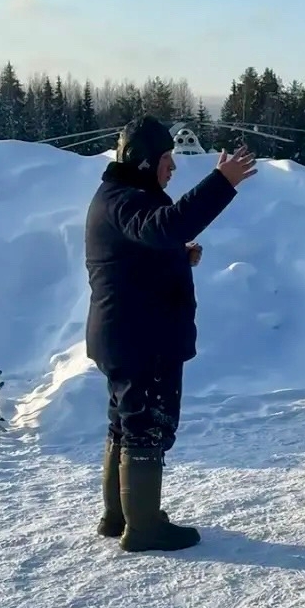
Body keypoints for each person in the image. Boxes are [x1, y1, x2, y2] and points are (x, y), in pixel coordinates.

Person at [85, 116, 257, 552]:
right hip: (141, 338)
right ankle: (143, 528)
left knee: (126, 424)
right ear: (144, 161)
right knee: (145, 427)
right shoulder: (126, 200)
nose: (173, 168)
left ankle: (121, 515)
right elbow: (166, 226)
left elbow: (146, 246)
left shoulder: (121, 197)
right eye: (166, 159)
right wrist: (222, 182)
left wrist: (177, 258)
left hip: (128, 334)